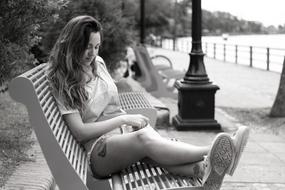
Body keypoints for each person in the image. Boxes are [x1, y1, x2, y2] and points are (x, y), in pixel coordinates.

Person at [47, 15, 249, 187]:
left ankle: (205, 172)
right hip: (98, 152)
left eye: (97, 46)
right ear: (73, 45)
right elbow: (80, 132)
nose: (92, 54)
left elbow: (109, 98)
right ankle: (216, 151)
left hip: (122, 138)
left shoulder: (97, 63)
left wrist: (125, 120)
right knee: (146, 139)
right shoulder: (62, 80)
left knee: (158, 148)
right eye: (87, 47)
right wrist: (124, 120)